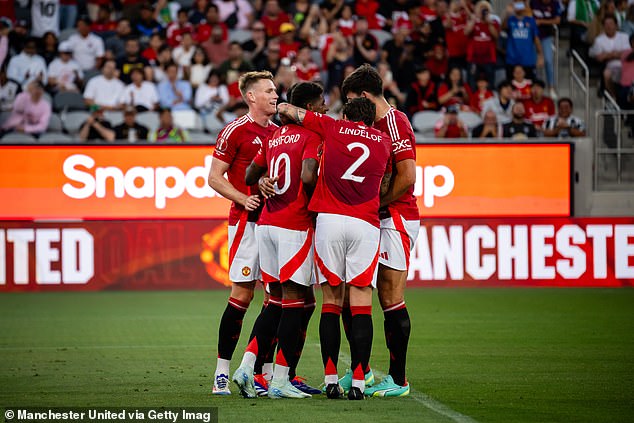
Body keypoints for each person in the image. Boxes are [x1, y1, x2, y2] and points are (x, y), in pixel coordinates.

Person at [277, 97, 392, 401]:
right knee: (361, 302)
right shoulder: (383, 140)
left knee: (331, 300)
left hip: (329, 219)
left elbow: (293, 112)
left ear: (345, 114)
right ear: (370, 119)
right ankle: (358, 382)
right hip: (365, 223)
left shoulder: (332, 127)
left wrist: (282, 106)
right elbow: (385, 184)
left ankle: (330, 380)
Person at [232, 82, 328, 399]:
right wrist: (317, 207)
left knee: (275, 302)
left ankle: (246, 366)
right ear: (308, 109)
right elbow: (307, 177)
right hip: (294, 223)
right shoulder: (312, 135)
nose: (325, 109)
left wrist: (262, 180)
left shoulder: (273, 135)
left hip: (267, 225)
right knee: (294, 303)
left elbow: (248, 176)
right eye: (320, 104)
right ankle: (281, 380)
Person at [341, 64, 419, 398]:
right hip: (368, 217)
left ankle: (398, 380)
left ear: (365, 95)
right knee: (349, 294)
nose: (348, 107)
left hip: (394, 217)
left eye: (351, 99)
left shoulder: (395, 122)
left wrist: (378, 203)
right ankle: (362, 370)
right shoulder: (363, 123)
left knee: (389, 297)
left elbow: (407, 176)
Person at [207, 71, 279, 395]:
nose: (276, 96)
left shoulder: (280, 133)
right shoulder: (235, 131)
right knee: (242, 296)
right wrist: (242, 198)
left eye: (276, 90)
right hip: (246, 223)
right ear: (252, 96)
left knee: (276, 299)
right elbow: (214, 177)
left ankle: (262, 373)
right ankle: (222, 371)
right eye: (270, 91)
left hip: (277, 224)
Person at [589, 15, 630, 96]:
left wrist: (607, 55)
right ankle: (613, 97)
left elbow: (627, 53)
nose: (609, 26)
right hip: (609, 66)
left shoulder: (624, 37)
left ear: (616, 25)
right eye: (606, 24)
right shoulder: (599, 40)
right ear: (603, 26)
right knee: (606, 74)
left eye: (611, 24)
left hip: (625, 65)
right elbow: (599, 57)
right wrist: (615, 54)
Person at [503, 0, 544, 81]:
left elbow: (536, 39)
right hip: (512, 60)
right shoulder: (510, 19)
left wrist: (540, 55)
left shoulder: (531, 21)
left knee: (528, 87)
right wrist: (507, 13)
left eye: (520, 3)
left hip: (527, 60)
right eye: (516, 3)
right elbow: (502, 28)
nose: (518, 6)